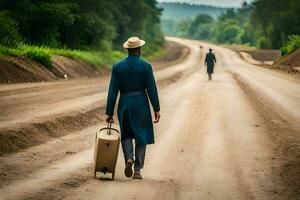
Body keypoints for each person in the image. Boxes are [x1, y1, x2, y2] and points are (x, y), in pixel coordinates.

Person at [105, 36, 161, 179]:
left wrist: (109, 112)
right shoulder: (146, 66)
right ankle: (137, 170)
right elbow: (151, 89)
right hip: (141, 103)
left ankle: (129, 158)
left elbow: (113, 91)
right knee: (141, 135)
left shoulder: (117, 66)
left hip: (125, 103)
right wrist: (156, 108)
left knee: (126, 134)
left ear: (128, 50)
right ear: (139, 49)